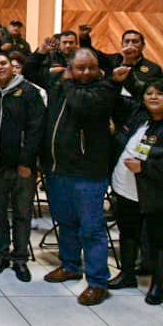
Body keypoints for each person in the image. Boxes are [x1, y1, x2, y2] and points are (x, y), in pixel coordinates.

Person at [40, 48, 119, 306]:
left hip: (88, 172)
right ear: (70, 67)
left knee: (92, 228)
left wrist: (66, 81)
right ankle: (70, 265)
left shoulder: (103, 89)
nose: (86, 72)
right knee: (66, 222)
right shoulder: (60, 86)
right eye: (80, 68)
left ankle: (97, 281)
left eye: (91, 68)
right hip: (57, 169)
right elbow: (32, 71)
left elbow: (80, 104)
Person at [109, 80, 163, 305]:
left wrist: (145, 167)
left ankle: (158, 284)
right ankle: (127, 274)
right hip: (125, 189)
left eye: (160, 93)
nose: (153, 97)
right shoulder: (140, 120)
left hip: (157, 193)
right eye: (149, 93)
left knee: (158, 238)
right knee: (128, 233)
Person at [0, 52, 45, 282]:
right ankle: (1, 254)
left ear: (12, 67)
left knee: (22, 213)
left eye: (3, 63)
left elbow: (36, 129)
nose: (0, 67)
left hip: (21, 168)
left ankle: (20, 258)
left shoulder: (29, 92)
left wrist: (26, 161)